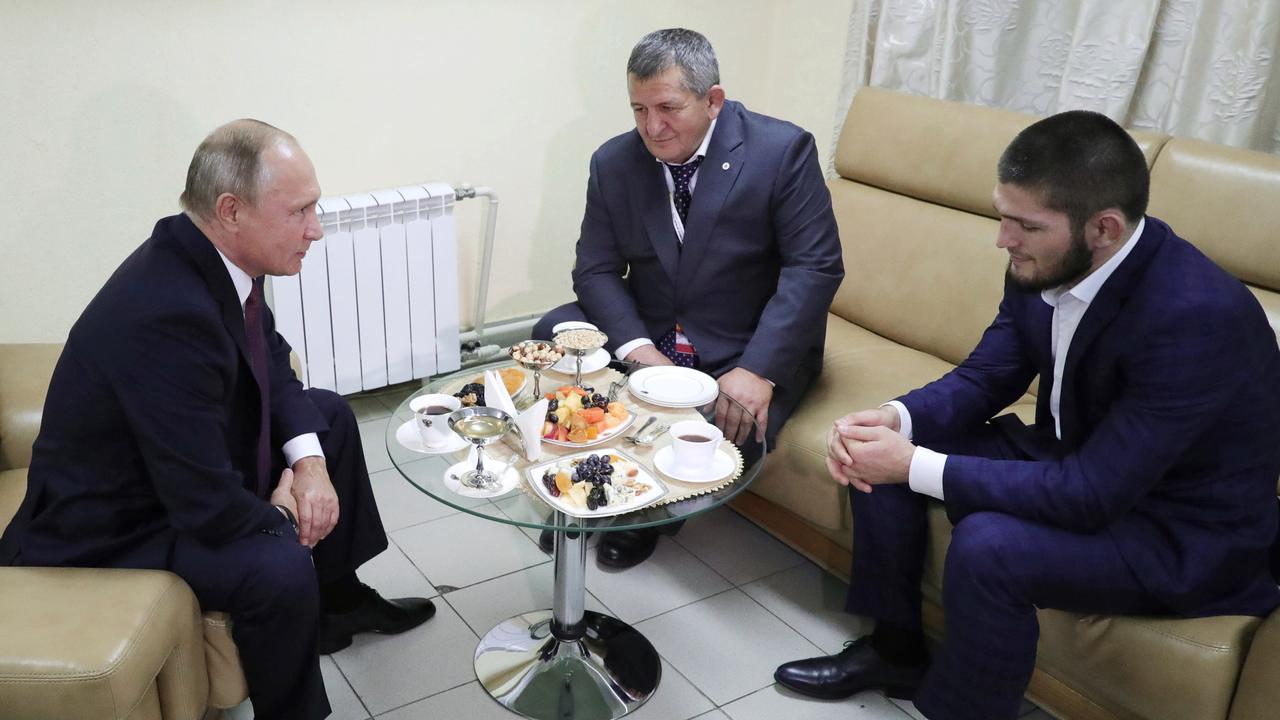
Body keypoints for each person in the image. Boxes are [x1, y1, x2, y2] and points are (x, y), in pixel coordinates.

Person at [773, 110, 1280, 720]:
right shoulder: (1044, 260)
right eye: (1002, 215)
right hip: (1078, 457)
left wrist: (914, 466)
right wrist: (895, 421)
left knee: (989, 548)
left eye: (1025, 225)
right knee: (880, 459)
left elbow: (1094, 493)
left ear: (1105, 228)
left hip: (1177, 526)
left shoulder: (1197, 318)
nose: (1002, 239)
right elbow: (988, 374)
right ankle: (896, 649)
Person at [0, 120, 437, 720]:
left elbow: (274, 360)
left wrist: (308, 464)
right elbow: (204, 505)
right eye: (300, 212)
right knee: (275, 561)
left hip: (177, 470)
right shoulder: (165, 315)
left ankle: (339, 603)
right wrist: (284, 510)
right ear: (231, 210)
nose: (316, 229)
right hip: (114, 523)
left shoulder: (216, 258)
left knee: (329, 419)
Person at [533, 28, 844, 568]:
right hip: (652, 331)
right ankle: (591, 483)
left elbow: (814, 268)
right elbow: (597, 269)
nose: (653, 126)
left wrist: (760, 370)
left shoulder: (781, 151)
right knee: (554, 334)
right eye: (639, 109)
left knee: (729, 423)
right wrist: (640, 353)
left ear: (713, 100)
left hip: (743, 343)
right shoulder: (614, 162)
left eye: (668, 108)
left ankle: (649, 511)